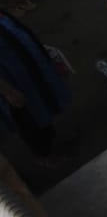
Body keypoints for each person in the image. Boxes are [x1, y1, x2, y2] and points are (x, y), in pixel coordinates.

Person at [0, 12, 70, 161]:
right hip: (11, 80)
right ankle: (44, 156)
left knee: (42, 105)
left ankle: (50, 144)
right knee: (29, 118)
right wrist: (8, 92)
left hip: (25, 69)